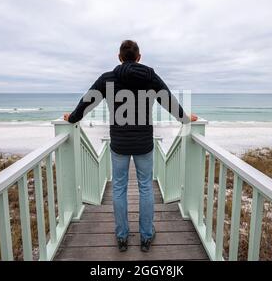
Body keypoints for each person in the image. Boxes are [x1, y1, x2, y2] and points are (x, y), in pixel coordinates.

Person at [64, 40, 197, 252]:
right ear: (139, 57)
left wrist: (72, 118)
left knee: (119, 188)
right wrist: (186, 119)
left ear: (119, 57)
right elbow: (169, 101)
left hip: (119, 143)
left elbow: (87, 102)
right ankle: (146, 237)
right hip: (144, 143)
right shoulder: (150, 76)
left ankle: (122, 236)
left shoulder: (107, 78)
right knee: (145, 187)